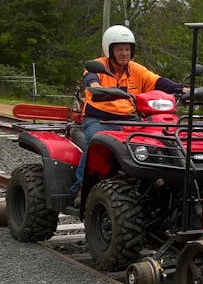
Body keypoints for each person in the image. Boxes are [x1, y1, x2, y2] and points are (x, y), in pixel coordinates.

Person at [71, 25, 187, 196]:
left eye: (127, 49)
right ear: (109, 50)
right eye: (120, 49)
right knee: (95, 142)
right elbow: (91, 80)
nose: (124, 53)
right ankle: (81, 188)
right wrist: (97, 88)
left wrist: (183, 90)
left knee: (155, 142)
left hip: (129, 120)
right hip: (99, 120)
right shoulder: (97, 66)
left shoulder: (136, 69)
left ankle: (150, 185)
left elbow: (158, 82)